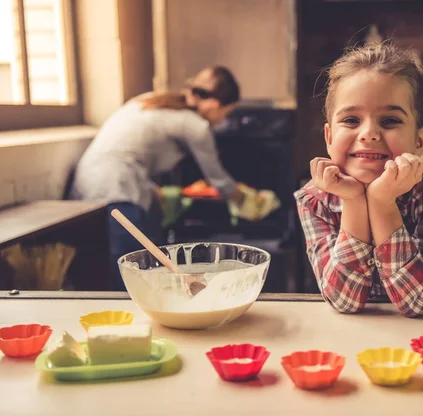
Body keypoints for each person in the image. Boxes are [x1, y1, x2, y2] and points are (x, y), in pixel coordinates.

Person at [294, 42, 423, 317]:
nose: (369, 133)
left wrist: (381, 201)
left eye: (389, 121)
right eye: (351, 120)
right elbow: (343, 302)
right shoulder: (313, 198)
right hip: (363, 327)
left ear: (420, 139)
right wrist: (353, 200)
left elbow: (419, 303)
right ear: (328, 137)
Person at [69, 66, 278, 290]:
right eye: (226, 113)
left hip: (83, 187)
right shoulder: (194, 125)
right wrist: (254, 201)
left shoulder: (151, 100)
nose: (222, 120)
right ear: (215, 105)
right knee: (132, 277)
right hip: (118, 191)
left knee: (98, 275)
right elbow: (219, 181)